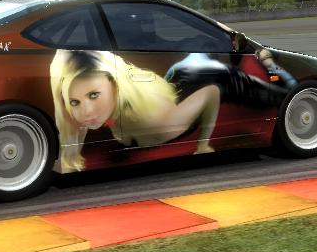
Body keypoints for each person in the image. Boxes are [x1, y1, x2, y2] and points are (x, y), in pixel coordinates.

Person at [50, 50, 221, 172]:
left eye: (94, 95)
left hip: (185, 82)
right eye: (74, 102)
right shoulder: (95, 103)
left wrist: (203, 145)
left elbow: (211, 92)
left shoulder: (159, 124)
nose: (86, 112)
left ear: (115, 86)